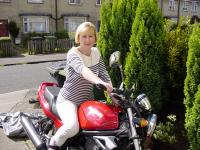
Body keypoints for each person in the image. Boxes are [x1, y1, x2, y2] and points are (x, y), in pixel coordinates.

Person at [48, 22, 115, 150]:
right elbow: (83, 70)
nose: (88, 40)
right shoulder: (73, 54)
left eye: (91, 36)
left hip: (87, 100)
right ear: (78, 38)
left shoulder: (96, 52)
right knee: (72, 127)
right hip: (69, 100)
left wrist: (111, 93)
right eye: (84, 36)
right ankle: (53, 143)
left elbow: (104, 73)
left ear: (95, 38)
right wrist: (99, 82)